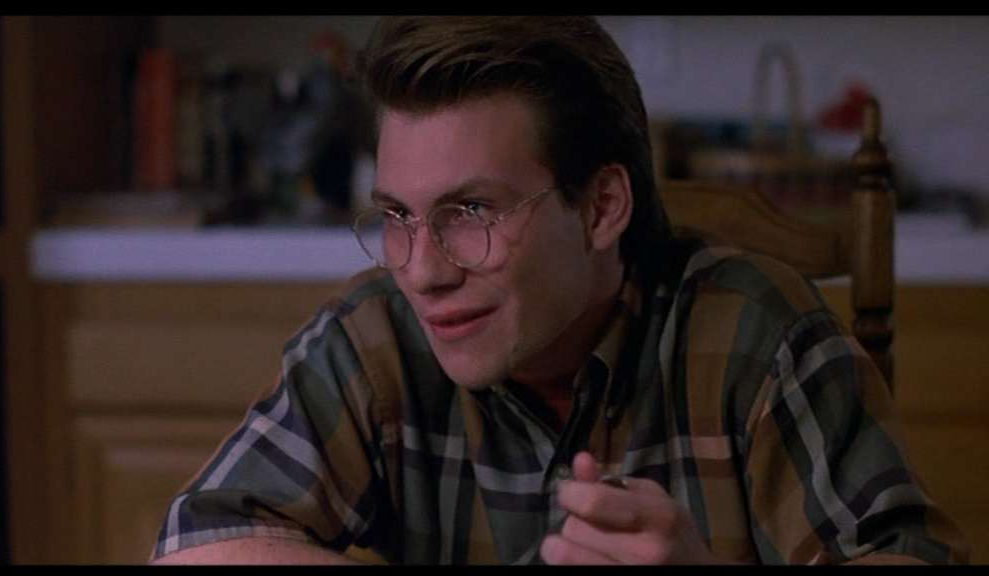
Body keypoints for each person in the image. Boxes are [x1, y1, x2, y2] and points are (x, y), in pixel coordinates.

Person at [151, 16, 968, 565]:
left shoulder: (759, 336)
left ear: (603, 207)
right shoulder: (375, 339)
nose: (423, 272)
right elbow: (199, 545)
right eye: (398, 216)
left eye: (473, 212)